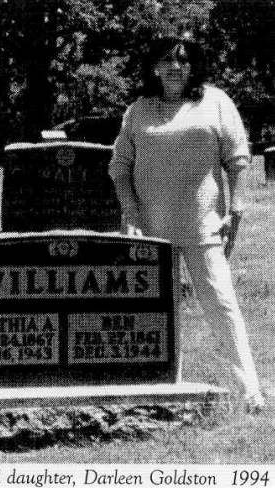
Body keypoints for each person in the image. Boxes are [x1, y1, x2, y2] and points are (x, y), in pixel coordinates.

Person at [109, 36, 265, 413]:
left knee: (222, 304)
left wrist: (237, 204)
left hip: (204, 225)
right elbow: (119, 167)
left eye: (182, 61)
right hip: (151, 230)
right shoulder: (139, 110)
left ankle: (250, 392)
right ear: (154, 68)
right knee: (160, 311)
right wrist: (131, 215)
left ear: (193, 66)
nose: (174, 68)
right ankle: (164, 389)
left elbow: (237, 157)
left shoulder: (215, 101)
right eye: (166, 61)